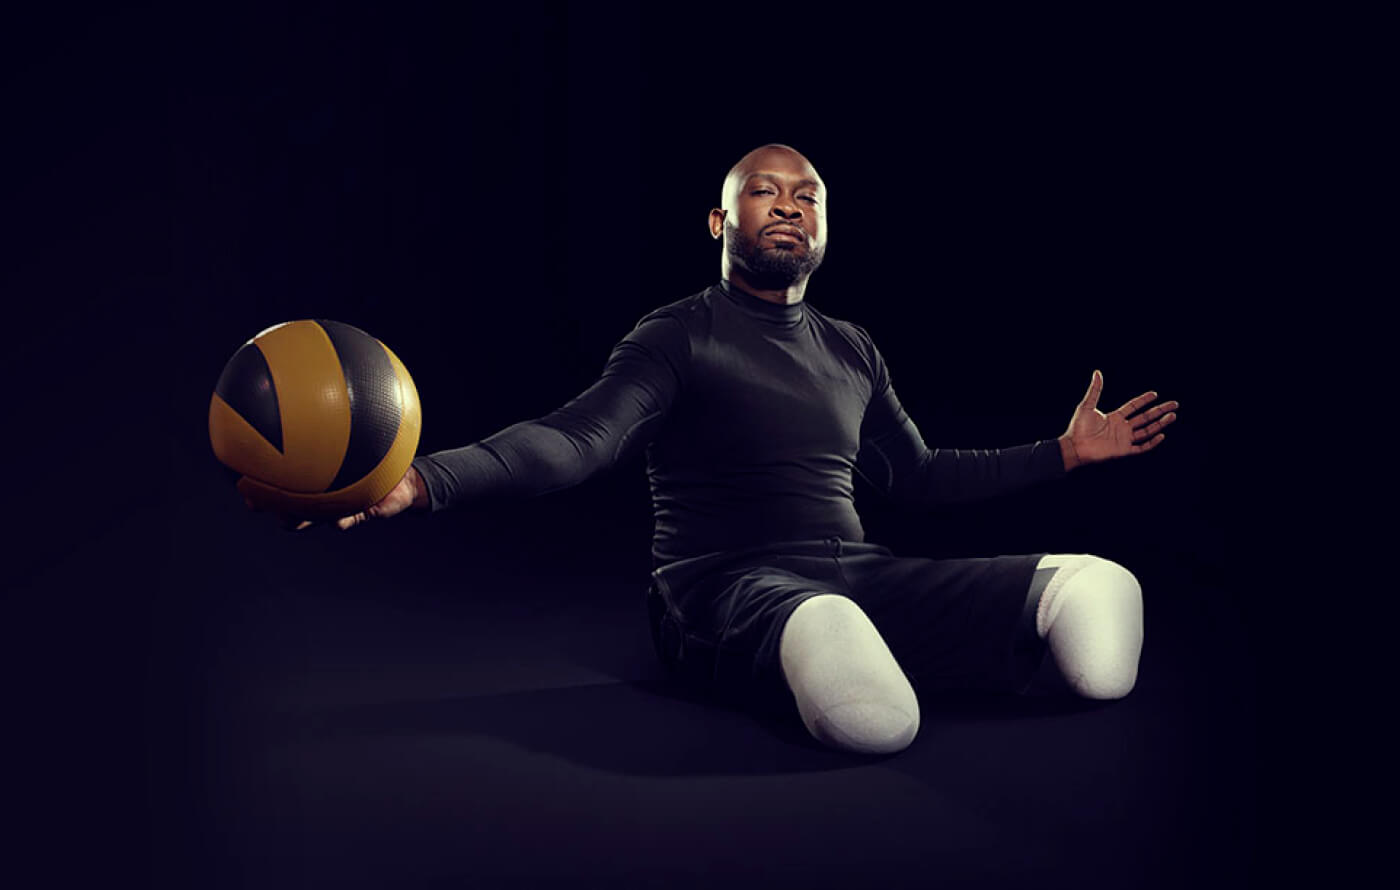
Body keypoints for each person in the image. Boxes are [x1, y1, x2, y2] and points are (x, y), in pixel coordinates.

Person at [287, 144, 1179, 756]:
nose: (790, 203)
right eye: (765, 189)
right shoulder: (676, 337)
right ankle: (839, 654)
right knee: (855, 681)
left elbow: (920, 478)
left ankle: (871, 643)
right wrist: (423, 482)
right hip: (721, 585)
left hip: (858, 574)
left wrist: (1060, 453)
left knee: (1099, 588)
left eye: (808, 195)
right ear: (719, 222)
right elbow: (575, 441)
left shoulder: (852, 347)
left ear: (823, 229)